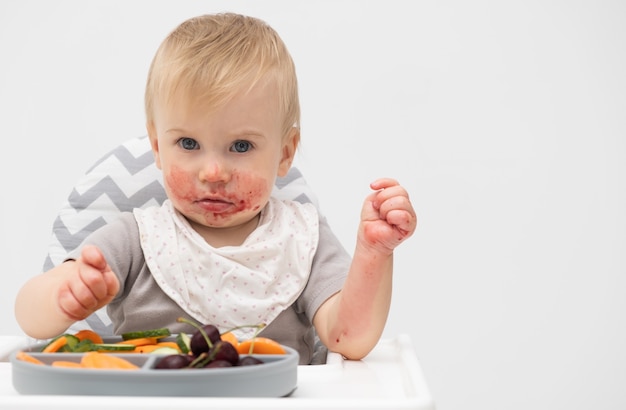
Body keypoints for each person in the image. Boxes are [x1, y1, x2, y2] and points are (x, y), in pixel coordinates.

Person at [14, 12, 417, 364]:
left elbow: (350, 339)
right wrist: (65, 295)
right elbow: (28, 316)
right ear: (158, 147)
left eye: (240, 146)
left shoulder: (304, 239)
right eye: (187, 144)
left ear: (284, 154)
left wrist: (373, 254)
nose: (213, 171)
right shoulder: (135, 238)